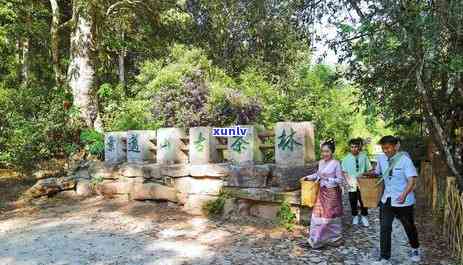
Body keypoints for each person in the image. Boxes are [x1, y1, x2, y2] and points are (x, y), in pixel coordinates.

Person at [373, 135, 421, 264]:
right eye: (383, 148)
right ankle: (384, 257)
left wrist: (404, 194)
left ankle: (415, 248)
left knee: (408, 226)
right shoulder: (381, 159)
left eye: (387, 148)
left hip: (403, 200)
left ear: (395, 146)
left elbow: (412, 180)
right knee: (385, 227)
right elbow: (377, 173)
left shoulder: (405, 160)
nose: (385, 151)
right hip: (387, 199)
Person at [301, 139, 344, 249]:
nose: (325, 154)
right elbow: (317, 174)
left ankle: (333, 239)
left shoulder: (336, 163)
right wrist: (307, 177)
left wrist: (327, 178)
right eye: (323, 151)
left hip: (332, 194)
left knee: (328, 218)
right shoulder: (320, 162)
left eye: (327, 151)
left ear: (332, 152)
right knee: (317, 216)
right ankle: (314, 239)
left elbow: (339, 180)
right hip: (322, 192)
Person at [341, 137, 371, 227]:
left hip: (363, 183)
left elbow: (369, 169)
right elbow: (344, 172)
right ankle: (355, 216)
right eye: (352, 147)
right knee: (353, 201)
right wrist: (347, 181)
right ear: (350, 148)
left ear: (359, 147)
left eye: (356, 147)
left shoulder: (364, 156)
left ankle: (364, 216)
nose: (354, 148)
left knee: (363, 201)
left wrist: (363, 174)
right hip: (351, 184)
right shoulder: (346, 158)